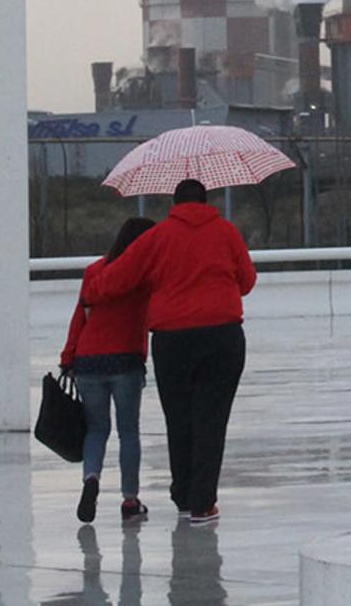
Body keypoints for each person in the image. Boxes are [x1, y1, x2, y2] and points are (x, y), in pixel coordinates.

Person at [84, 178, 256, 525]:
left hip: (172, 341)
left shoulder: (157, 237)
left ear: (174, 205)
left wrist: (92, 289)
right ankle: (203, 504)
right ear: (206, 202)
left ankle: (183, 495)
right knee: (211, 419)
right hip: (223, 338)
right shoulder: (226, 232)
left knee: (178, 418)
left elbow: (113, 279)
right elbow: (247, 282)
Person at [62, 216, 155, 525]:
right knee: (128, 431)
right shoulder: (143, 279)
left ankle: (91, 478)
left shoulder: (94, 272)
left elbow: (80, 318)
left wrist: (68, 357)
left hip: (88, 361)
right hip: (125, 360)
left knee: (97, 430)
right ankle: (130, 500)